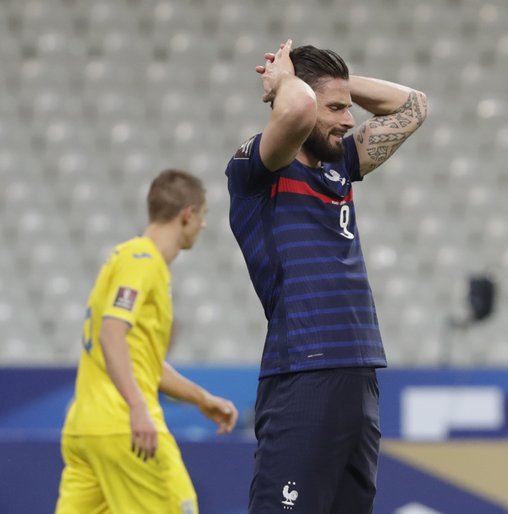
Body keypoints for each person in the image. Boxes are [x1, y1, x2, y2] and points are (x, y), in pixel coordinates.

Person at [225, 40, 427, 513]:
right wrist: (286, 82)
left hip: (360, 375)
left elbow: (414, 106)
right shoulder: (256, 170)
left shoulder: (339, 163)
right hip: (303, 372)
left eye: (348, 107)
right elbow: (296, 109)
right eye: (336, 108)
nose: (350, 119)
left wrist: (339, 85)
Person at [56, 169, 239, 514]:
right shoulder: (143, 260)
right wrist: (138, 408)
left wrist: (201, 399)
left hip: (87, 430)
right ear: (188, 214)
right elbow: (112, 333)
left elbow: (141, 361)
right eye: (203, 215)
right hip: (125, 428)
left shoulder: (125, 257)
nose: (203, 225)